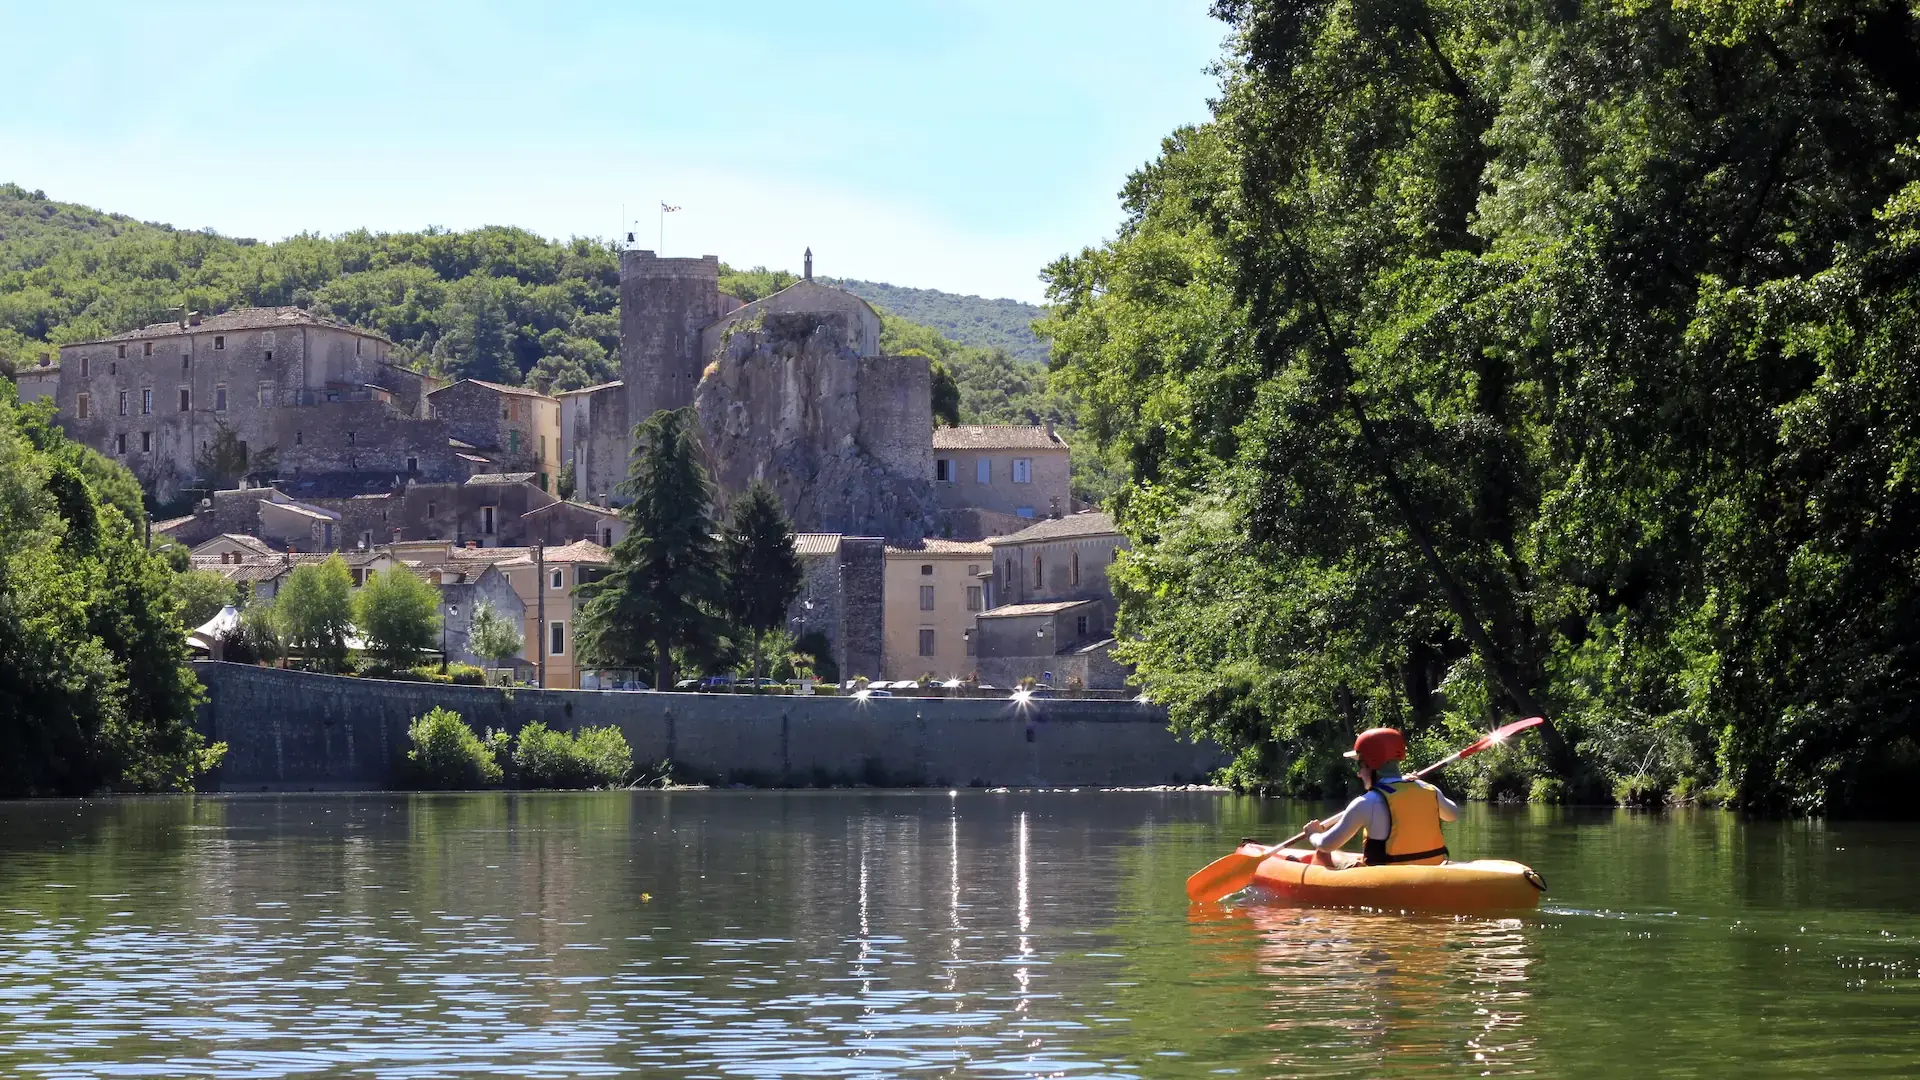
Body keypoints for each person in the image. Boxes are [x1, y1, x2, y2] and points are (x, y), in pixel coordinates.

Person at [1300, 727, 1460, 867]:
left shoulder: (1365, 803)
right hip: (1433, 870)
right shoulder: (1429, 790)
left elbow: (1327, 844)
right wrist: (1419, 784)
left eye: (1360, 765)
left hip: (1386, 879)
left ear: (1371, 763)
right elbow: (1453, 815)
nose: (1359, 773)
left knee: (1322, 853)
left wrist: (1314, 834)